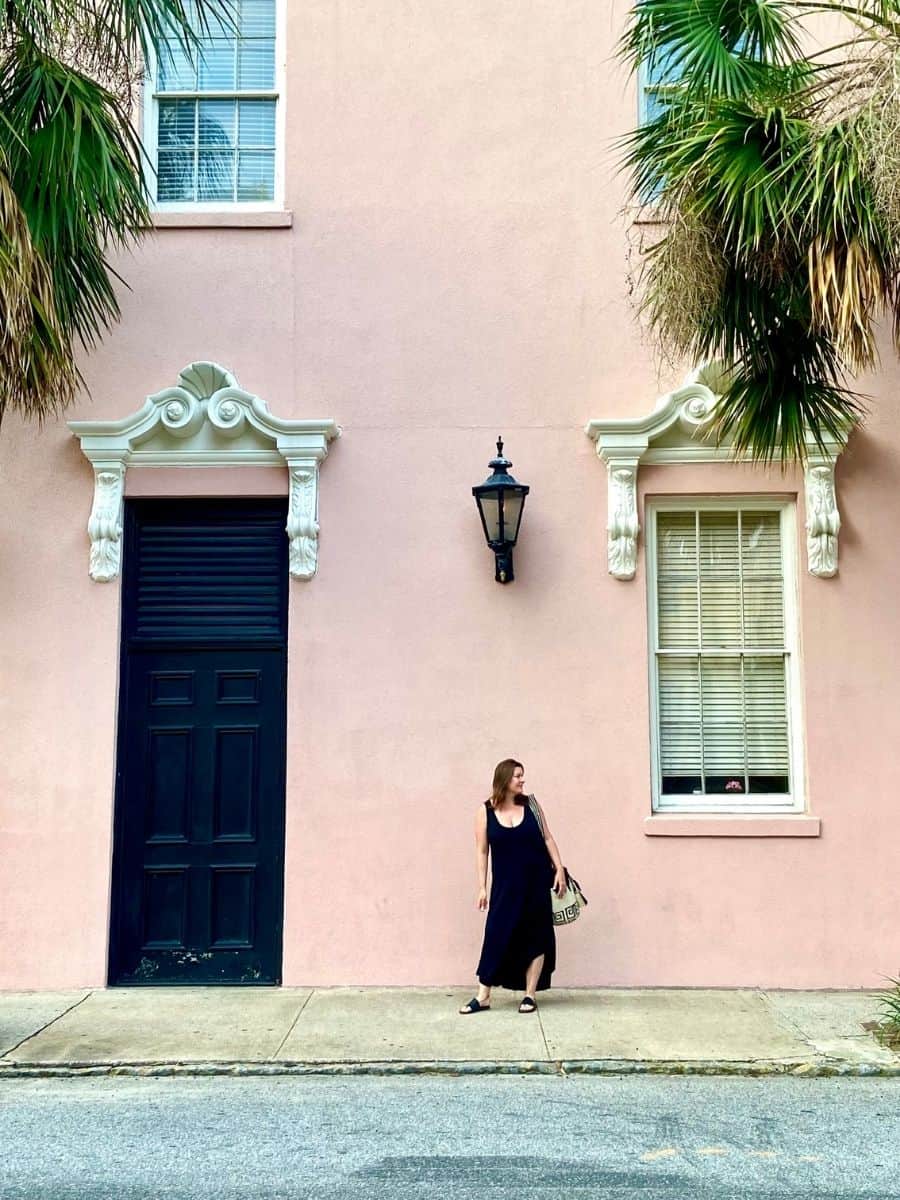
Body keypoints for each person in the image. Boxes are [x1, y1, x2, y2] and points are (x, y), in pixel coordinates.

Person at [459, 758, 566, 1015]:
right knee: (496, 935)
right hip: (505, 887)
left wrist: (559, 869)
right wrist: (482, 887)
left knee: (537, 937)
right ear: (505, 779)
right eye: (518, 775)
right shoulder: (484, 811)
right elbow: (482, 851)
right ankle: (483, 995)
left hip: (536, 882)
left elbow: (548, 838)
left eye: (522, 775)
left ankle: (530, 995)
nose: (522, 780)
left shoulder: (532, 805)